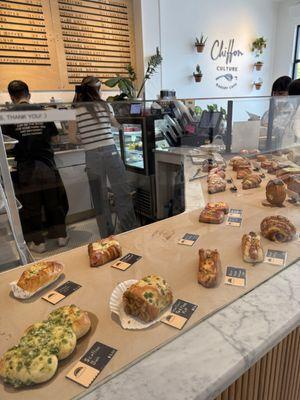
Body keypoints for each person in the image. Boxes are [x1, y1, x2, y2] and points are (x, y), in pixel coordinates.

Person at [1, 80, 69, 253]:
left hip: (26, 167)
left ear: (11, 97)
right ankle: (61, 237)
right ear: (28, 94)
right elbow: (55, 138)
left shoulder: (7, 115)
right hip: (47, 164)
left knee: (32, 206)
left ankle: (39, 243)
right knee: (53, 202)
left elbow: (6, 145)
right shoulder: (42, 111)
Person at [69, 76, 137, 238]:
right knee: (122, 192)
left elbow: (72, 138)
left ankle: (107, 236)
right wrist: (127, 127)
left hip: (92, 156)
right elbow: (115, 125)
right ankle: (129, 231)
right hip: (111, 152)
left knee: (100, 198)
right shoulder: (105, 105)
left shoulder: (74, 110)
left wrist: (85, 139)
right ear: (97, 90)